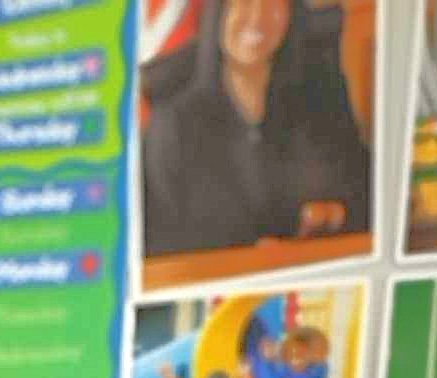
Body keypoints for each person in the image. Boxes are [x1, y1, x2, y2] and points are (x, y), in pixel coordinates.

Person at [143, 0, 371, 258]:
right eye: (243, 3)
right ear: (219, 13)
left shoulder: (320, 94)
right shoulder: (174, 119)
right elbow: (159, 238)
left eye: (273, 4)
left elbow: (368, 190)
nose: (256, 18)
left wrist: (336, 214)